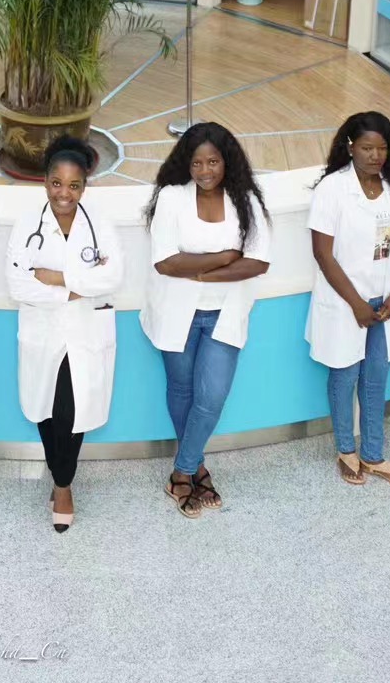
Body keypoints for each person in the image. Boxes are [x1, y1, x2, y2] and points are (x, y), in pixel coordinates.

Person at [141, 123, 272, 519]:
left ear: (226, 160)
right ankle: (197, 469)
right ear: (186, 163)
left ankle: (181, 471)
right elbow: (166, 262)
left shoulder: (245, 199)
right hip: (176, 312)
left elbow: (258, 261)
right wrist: (225, 257)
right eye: (196, 163)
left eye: (213, 161)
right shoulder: (171, 197)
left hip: (224, 314)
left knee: (211, 396)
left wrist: (200, 273)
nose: (204, 171)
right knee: (182, 391)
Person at [6, 136, 125, 533]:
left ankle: (62, 484)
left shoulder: (99, 224)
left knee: (72, 415)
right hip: (43, 332)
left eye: (74, 185)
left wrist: (57, 278)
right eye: (57, 183)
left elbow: (113, 277)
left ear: (84, 187)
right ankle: (61, 478)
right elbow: (18, 285)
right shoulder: (28, 224)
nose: (64, 193)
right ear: (45, 181)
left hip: (85, 333)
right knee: (45, 410)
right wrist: (76, 289)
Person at [308, 112, 390, 488]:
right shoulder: (332, 189)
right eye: (367, 148)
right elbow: (323, 253)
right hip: (346, 301)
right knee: (344, 375)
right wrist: (356, 303)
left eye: (382, 148)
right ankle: (346, 450)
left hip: (385, 301)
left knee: (376, 378)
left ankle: (373, 454)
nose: (375, 156)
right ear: (350, 147)